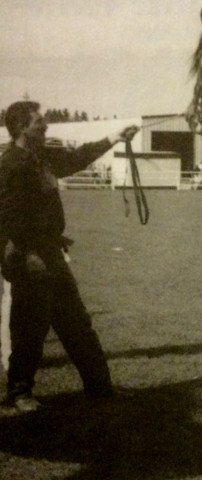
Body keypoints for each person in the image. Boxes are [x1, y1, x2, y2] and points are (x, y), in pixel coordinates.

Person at [0, 100, 139, 412]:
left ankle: (100, 388)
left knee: (76, 323)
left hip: (50, 253)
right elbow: (6, 218)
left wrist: (114, 137)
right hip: (29, 257)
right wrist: (18, 256)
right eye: (40, 121)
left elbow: (78, 156)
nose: (46, 125)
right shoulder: (11, 164)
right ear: (23, 127)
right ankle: (19, 393)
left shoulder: (43, 155)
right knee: (29, 329)